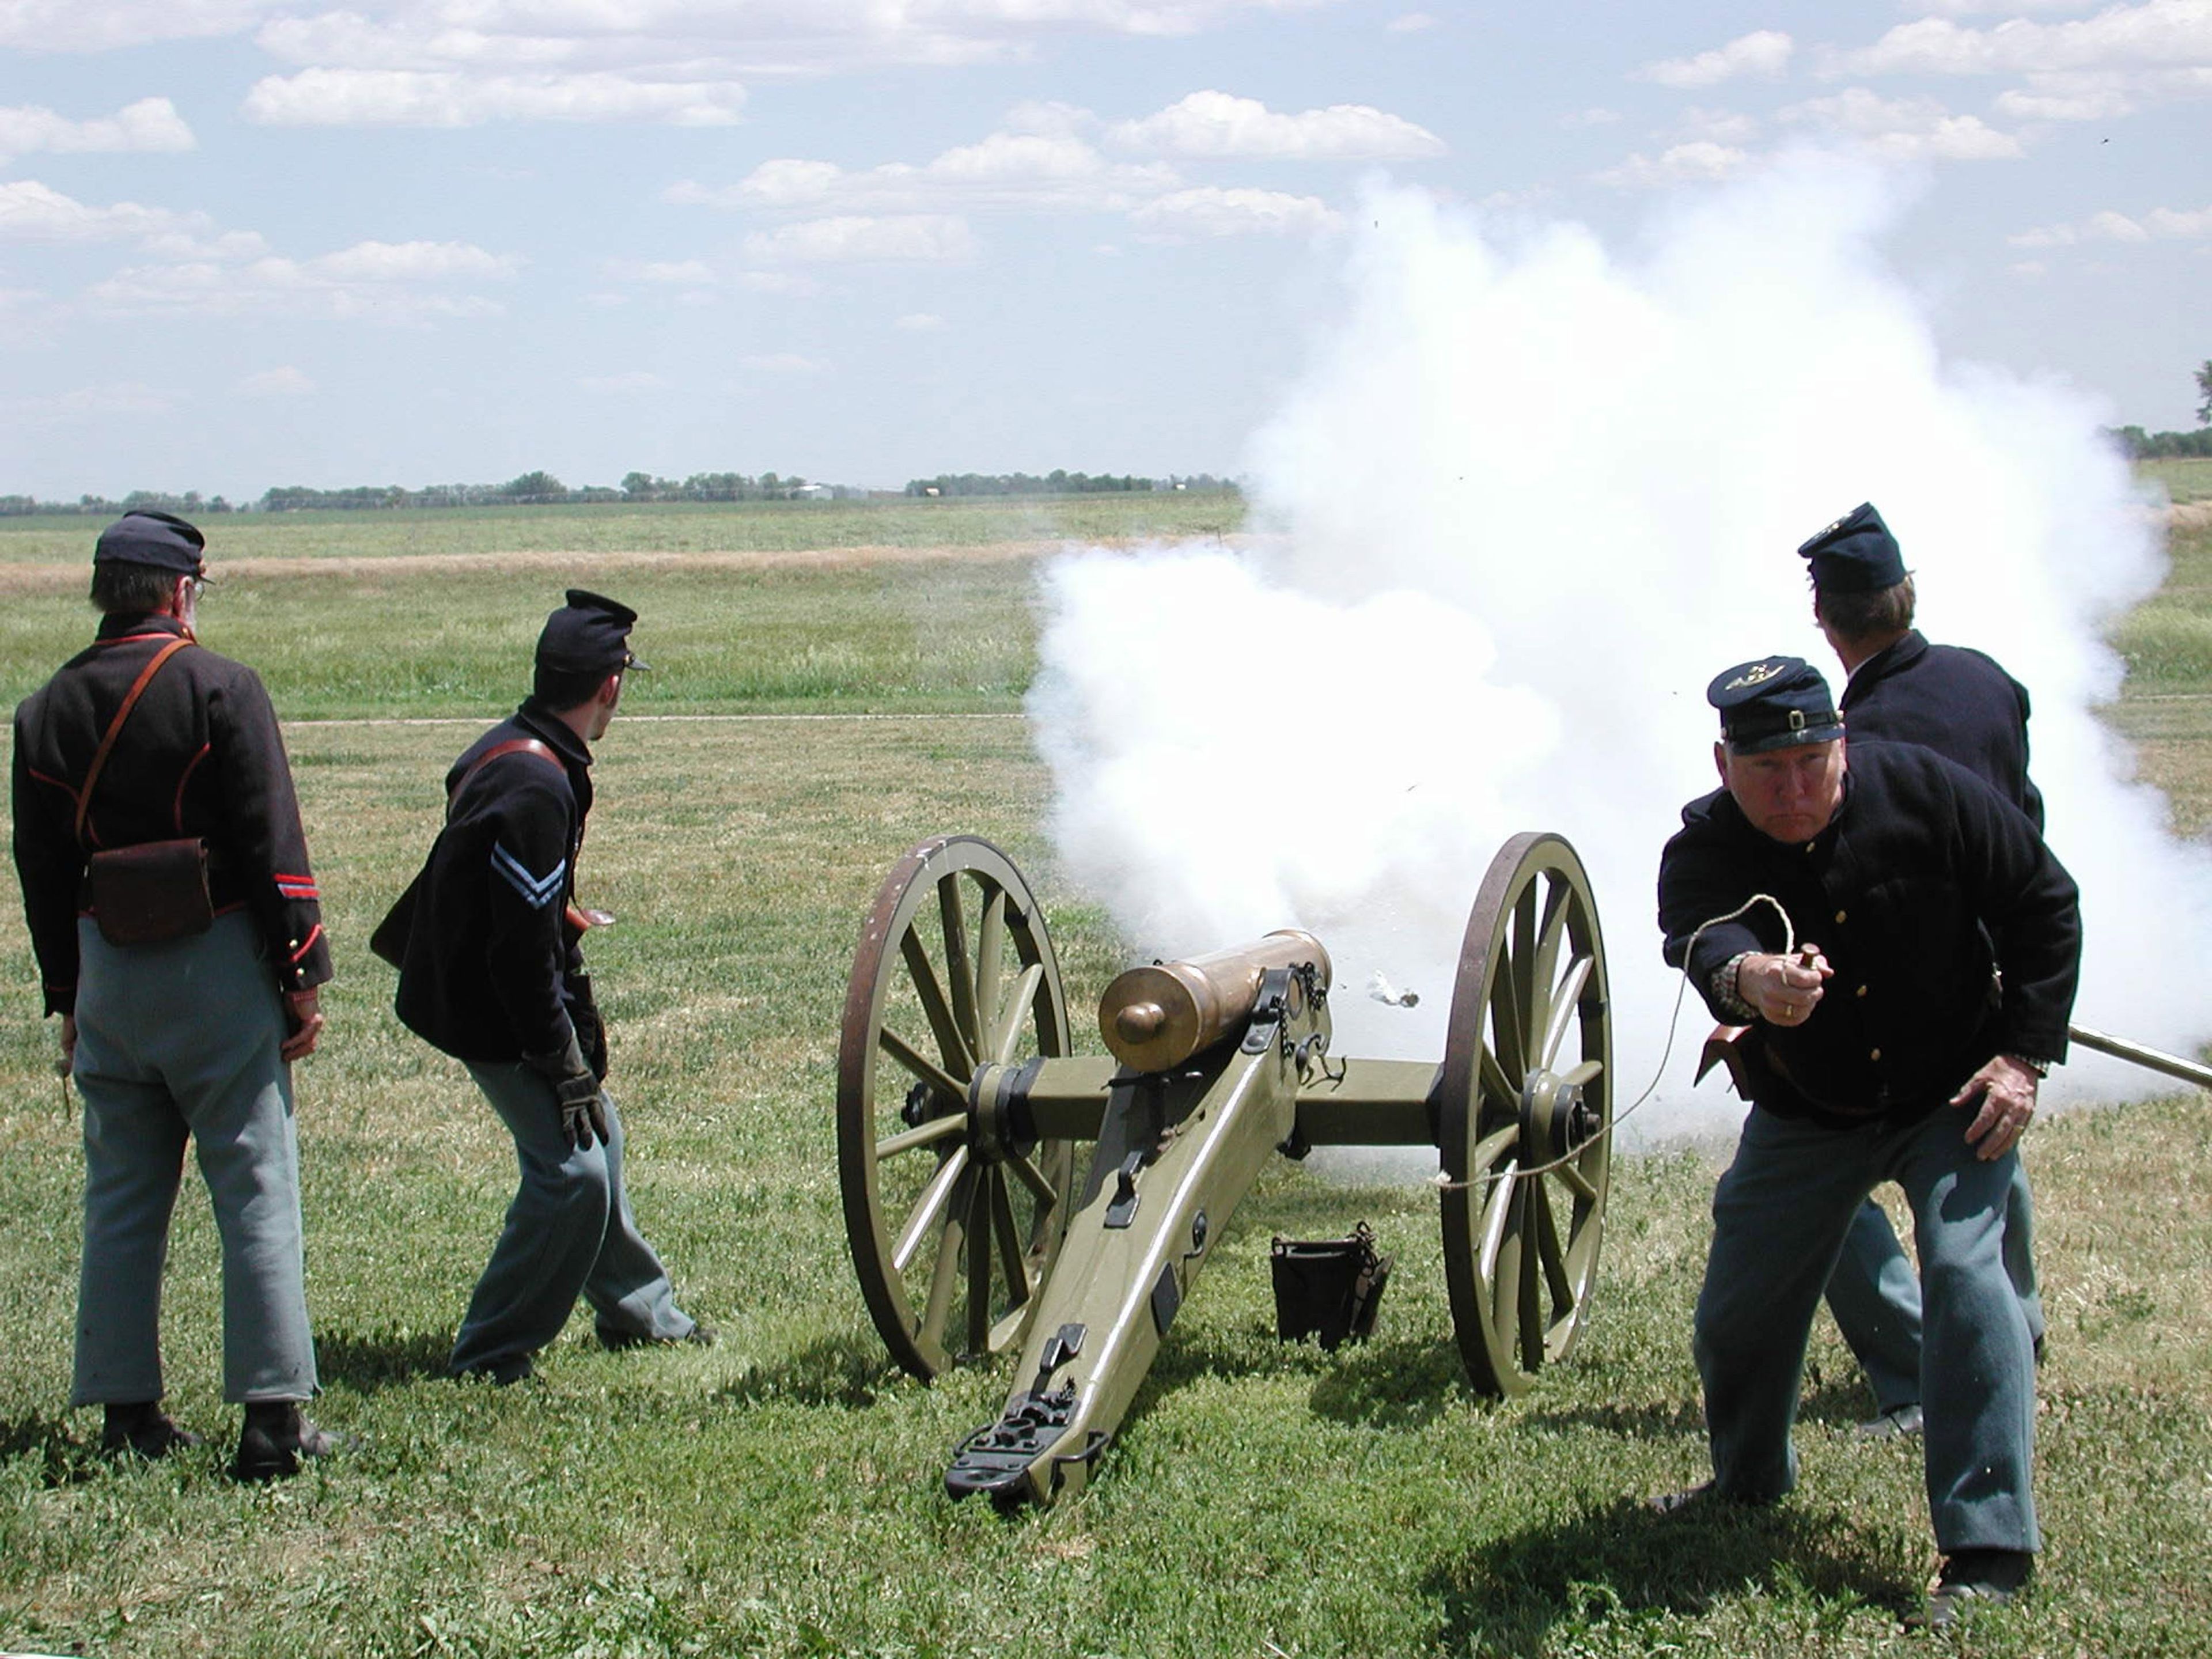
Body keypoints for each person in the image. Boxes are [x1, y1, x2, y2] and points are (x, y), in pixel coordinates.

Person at [1655, 654, 2080, 1628]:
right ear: (1726, 765)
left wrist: (2021, 1060)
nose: (1795, 791)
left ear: (1841, 744)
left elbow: (2044, 905)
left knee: (1971, 1282)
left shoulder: (1928, 792)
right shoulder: (1705, 844)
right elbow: (1701, 936)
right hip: (1810, 1113)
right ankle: (1748, 1484)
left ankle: (1988, 1548)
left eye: (1813, 762)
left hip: (1952, 1093)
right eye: (1769, 772)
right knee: (1737, 1317)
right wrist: (1753, 978)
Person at [11, 510, 339, 1480]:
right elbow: (271, 845)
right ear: (179, 593)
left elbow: (41, 874)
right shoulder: (220, 688)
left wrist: (70, 997)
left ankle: (128, 1415)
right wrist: (301, 975)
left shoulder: (43, 711)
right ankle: (273, 1423)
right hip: (217, 965)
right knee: (255, 1193)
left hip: (105, 966)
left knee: (119, 1201)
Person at [392, 590, 704, 1383]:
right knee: (572, 1174)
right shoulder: (538, 786)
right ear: (609, 685)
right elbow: (520, 955)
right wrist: (563, 1060)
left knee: (602, 1140)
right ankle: (492, 1351)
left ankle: (641, 1314)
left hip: (487, 983)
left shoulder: (516, 749)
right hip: (489, 1007)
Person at [1801, 502, 2047, 1442]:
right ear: (1907, 599)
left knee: (1809, 1181)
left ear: (1827, 622)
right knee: (1989, 1153)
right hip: (1989, 966)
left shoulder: (1859, 734)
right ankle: (2013, 1334)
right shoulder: (1990, 682)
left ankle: (1916, 1371)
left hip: (1913, 983)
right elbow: (2023, 819)